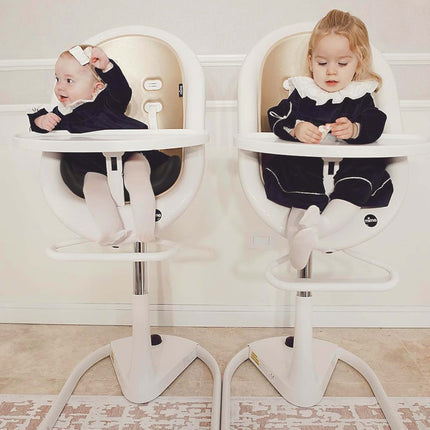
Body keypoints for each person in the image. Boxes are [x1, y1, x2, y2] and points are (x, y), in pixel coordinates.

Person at [265, 9, 393, 270]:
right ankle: (300, 236)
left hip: (348, 169)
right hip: (306, 170)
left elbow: (375, 122)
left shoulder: (361, 95)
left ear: (358, 62)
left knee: (363, 176)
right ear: (311, 61)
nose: (331, 71)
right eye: (322, 63)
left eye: (342, 63)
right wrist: (296, 129)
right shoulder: (302, 93)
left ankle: (318, 228)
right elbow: (277, 116)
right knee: (298, 185)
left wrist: (356, 129)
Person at [28, 45, 169, 245]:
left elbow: (121, 91)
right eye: (57, 79)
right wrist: (40, 121)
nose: (60, 86)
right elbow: (39, 124)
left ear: (97, 87)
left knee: (137, 179)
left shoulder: (105, 103)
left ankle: (146, 230)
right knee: (92, 188)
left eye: (69, 80)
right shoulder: (60, 115)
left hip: (129, 154)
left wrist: (107, 67)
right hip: (92, 166)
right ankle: (111, 231)